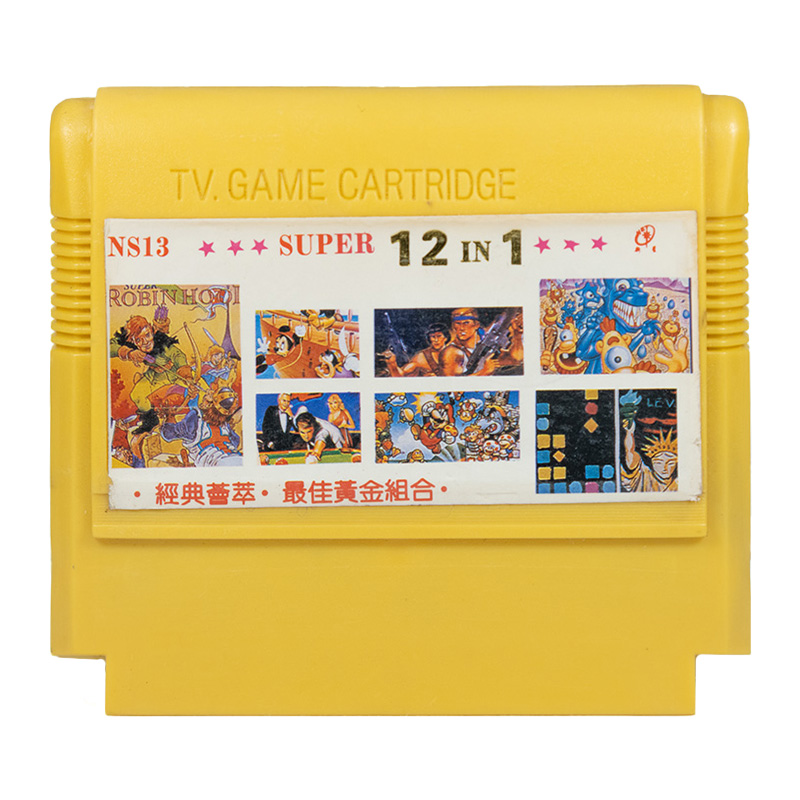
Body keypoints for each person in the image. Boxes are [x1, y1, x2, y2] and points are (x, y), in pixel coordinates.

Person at [110, 314, 193, 433]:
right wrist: (128, 352)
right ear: (132, 341)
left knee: (200, 387)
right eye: (139, 340)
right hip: (155, 375)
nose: (145, 342)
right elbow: (107, 347)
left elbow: (178, 356)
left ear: (152, 330)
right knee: (137, 395)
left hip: (175, 373)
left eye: (147, 335)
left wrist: (187, 376)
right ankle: (151, 421)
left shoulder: (163, 343)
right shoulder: (130, 343)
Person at [621, 421, 678, 492]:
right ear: (652, 462)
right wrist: (630, 433)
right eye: (659, 463)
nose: (664, 468)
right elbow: (630, 452)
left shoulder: (679, 482)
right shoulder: (644, 475)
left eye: (670, 463)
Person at [382, 323, 450, 377]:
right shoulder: (422, 357)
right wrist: (392, 364)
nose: (436, 340)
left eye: (439, 336)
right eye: (433, 337)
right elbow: (401, 374)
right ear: (429, 338)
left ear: (446, 338)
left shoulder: (453, 352)